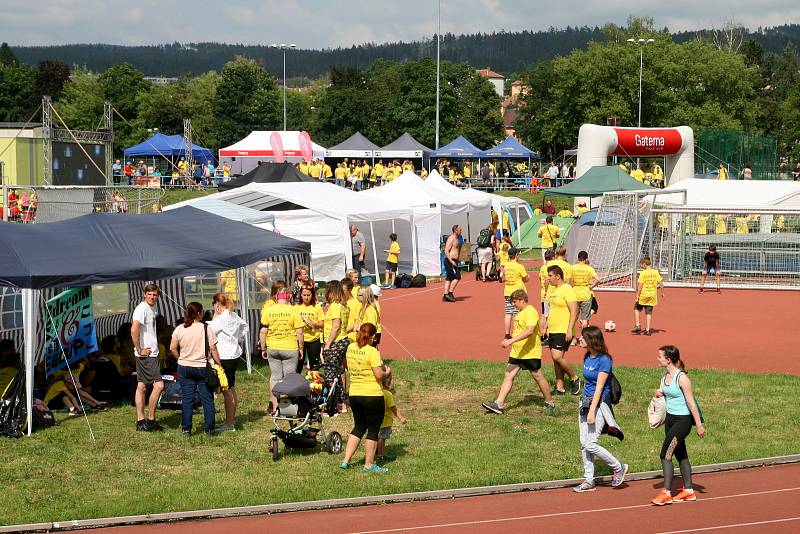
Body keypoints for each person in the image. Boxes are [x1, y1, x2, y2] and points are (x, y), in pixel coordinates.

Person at [573, 326, 628, 492]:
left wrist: (592, 410)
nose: (580, 340)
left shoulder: (605, 360)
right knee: (584, 443)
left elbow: (600, 387)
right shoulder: (587, 356)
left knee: (591, 444)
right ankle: (589, 480)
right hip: (585, 402)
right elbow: (588, 384)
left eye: (583, 338)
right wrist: (584, 404)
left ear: (591, 340)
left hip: (599, 405)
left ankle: (618, 467)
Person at [482, 289, 554, 414]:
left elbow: (530, 330)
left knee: (537, 376)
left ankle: (549, 401)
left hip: (530, 352)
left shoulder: (530, 311)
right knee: (508, 375)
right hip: (517, 352)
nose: (513, 304)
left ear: (522, 300)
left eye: (514, 302)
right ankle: (499, 403)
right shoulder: (520, 312)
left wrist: (510, 341)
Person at [652, 345, 705, 505]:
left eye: (660, 356)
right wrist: (660, 393)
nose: (658, 358)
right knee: (680, 454)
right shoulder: (664, 376)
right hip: (670, 420)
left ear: (668, 359)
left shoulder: (681, 378)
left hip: (683, 421)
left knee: (665, 454)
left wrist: (699, 425)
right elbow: (666, 393)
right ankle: (689, 491)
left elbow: (691, 403)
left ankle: (666, 492)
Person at [340, 323, 391, 473]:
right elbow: (378, 375)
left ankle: (346, 460)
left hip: (355, 393)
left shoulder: (351, 348)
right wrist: (387, 372)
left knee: (359, 427)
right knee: (373, 430)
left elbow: (346, 365)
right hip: (372, 395)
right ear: (373, 337)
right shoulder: (372, 352)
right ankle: (369, 465)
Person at [170, 302, 222, 436]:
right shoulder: (205, 328)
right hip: (201, 367)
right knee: (207, 400)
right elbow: (213, 349)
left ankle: (186, 429)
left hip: (184, 367)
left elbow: (172, 348)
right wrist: (219, 363)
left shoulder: (180, 328)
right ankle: (209, 429)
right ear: (199, 313)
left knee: (187, 399)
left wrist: (180, 358)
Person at [260, 287, 304, 413]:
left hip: (273, 347)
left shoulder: (268, 310)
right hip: (290, 347)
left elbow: (263, 331)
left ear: (276, 297)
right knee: (289, 378)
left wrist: (263, 348)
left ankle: (275, 406)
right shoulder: (293, 310)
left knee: (275, 377)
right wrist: (301, 348)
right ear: (288, 297)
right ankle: (288, 408)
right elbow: (299, 332)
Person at [209, 293, 248, 432]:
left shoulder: (220, 319)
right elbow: (245, 327)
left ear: (217, 305)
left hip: (224, 356)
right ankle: (229, 420)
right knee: (230, 388)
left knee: (227, 390)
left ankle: (230, 423)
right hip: (234, 354)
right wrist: (237, 338)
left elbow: (210, 332)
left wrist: (214, 315)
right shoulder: (234, 315)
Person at [543, 265, 582, 396]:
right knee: (556, 360)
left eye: (550, 276)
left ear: (557, 276)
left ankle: (574, 378)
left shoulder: (567, 289)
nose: (548, 278)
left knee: (557, 356)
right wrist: (546, 327)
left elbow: (574, 311)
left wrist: (570, 329)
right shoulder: (553, 291)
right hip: (553, 330)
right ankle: (560, 387)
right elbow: (550, 311)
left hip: (563, 329)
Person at [131, 283, 164, 432]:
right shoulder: (142, 308)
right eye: (149, 294)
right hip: (147, 354)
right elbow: (134, 329)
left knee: (142, 386)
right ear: (144, 294)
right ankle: (150, 421)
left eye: (155, 294)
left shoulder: (152, 307)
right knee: (159, 385)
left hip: (150, 353)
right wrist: (139, 349)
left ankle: (140, 421)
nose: (152, 297)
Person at [322, 280, 351, 408]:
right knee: (338, 372)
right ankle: (340, 401)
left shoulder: (335, 306)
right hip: (343, 339)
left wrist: (328, 344)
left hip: (335, 341)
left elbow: (335, 326)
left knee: (330, 372)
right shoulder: (344, 305)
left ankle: (331, 403)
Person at [377, 373, 407, 461]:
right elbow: (393, 408)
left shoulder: (377, 392)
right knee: (382, 438)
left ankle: (374, 453)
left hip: (375, 421)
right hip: (385, 422)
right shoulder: (388, 394)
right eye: (390, 379)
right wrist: (401, 417)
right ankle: (380, 455)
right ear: (387, 382)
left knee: (375, 438)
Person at [296, 284, 324, 372]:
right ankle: (297, 384)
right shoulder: (296, 307)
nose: (306, 297)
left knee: (314, 367)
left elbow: (323, 323)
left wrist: (314, 324)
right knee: (298, 365)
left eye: (308, 295)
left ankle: (315, 384)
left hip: (314, 339)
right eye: (304, 295)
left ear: (312, 295)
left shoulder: (317, 307)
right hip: (300, 339)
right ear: (300, 295)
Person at [633, 256, 664, 336]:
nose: (641, 266)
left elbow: (640, 285)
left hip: (643, 295)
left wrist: (637, 295)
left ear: (644, 264)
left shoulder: (643, 273)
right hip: (652, 295)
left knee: (636, 308)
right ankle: (647, 330)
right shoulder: (655, 272)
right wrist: (662, 292)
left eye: (642, 265)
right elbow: (660, 282)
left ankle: (637, 325)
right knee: (648, 312)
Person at [502, 248, 528, 338]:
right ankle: (518, 331)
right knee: (518, 312)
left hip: (508, 291)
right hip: (518, 292)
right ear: (516, 255)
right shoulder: (519, 266)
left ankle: (507, 333)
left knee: (508, 313)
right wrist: (528, 277)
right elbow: (525, 278)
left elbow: (503, 278)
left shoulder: (506, 266)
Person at [571, 251, 599, 332]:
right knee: (585, 319)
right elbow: (598, 279)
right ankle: (583, 337)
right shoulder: (589, 268)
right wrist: (591, 286)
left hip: (574, 294)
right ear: (586, 259)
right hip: (586, 295)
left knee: (573, 317)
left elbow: (568, 279)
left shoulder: (572, 268)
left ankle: (572, 338)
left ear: (578, 258)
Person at [442, 225, 462, 302]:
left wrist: (458, 259)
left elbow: (457, 250)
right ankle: (449, 293)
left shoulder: (458, 238)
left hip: (454, 260)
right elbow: (446, 251)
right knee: (457, 277)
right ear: (455, 230)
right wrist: (451, 261)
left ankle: (445, 295)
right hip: (450, 261)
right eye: (460, 230)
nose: (461, 231)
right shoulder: (451, 239)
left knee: (449, 278)